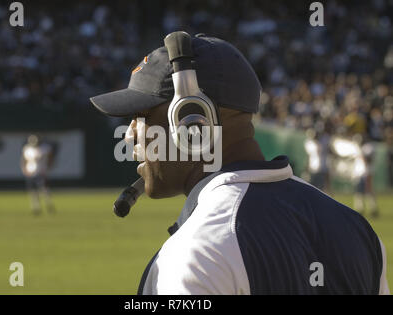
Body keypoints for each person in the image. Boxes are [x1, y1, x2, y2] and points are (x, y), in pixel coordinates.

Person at [90, 33, 389, 295]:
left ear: (191, 121)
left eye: (140, 117)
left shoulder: (198, 254)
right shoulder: (357, 230)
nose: (129, 134)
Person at [20, 135, 56, 215]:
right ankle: (35, 207)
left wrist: (48, 168)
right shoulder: (27, 149)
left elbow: (50, 158)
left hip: (41, 172)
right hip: (31, 172)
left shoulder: (44, 149)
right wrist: (24, 170)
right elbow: (23, 160)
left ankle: (49, 205)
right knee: (33, 191)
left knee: (44, 190)